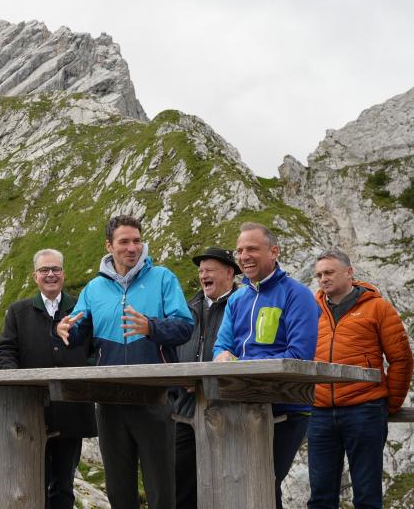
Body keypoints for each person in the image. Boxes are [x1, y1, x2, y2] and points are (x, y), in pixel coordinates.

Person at [57, 215, 194, 509]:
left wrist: (152, 328)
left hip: (154, 398)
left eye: (137, 240)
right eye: (124, 242)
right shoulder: (94, 288)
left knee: (161, 490)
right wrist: (66, 328)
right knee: (119, 490)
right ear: (109, 245)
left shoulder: (162, 278)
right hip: (109, 401)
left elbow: (185, 326)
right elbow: (79, 331)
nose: (133, 248)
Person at [213, 222, 319, 509]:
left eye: (252, 249)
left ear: (274, 251)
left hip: (286, 409)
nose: (244, 255)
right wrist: (222, 356)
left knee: (262, 484)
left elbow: (299, 354)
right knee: (250, 487)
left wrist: (240, 363)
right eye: (240, 250)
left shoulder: (298, 296)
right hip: (241, 405)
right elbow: (221, 347)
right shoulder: (236, 299)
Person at [308, 249, 413, 509]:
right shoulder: (312, 310)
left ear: (349, 273)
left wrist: (389, 405)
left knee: (367, 496)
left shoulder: (377, 307)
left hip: (364, 410)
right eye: (320, 274)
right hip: (320, 413)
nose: (324, 279)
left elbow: (401, 359)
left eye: (329, 272)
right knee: (320, 497)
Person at [0, 249, 97, 509]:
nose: (50, 274)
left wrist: (83, 376)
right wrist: (15, 381)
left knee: (63, 486)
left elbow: (97, 350)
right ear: (35, 276)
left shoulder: (81, 309)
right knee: (33, 483)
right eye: (44, 270)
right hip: (31, 411)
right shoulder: (18, 311)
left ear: (64, 273)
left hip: (71, 410)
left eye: (56, 269)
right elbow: (5, 351)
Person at [172, 247, 240, 509]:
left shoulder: (242, 304)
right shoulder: (187, 309)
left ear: (229, 272)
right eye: (201, 271)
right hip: (185, 413)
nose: (203, 275)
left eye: (209, 270)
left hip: (227, 412)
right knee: (183, 488)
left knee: (227, 487)